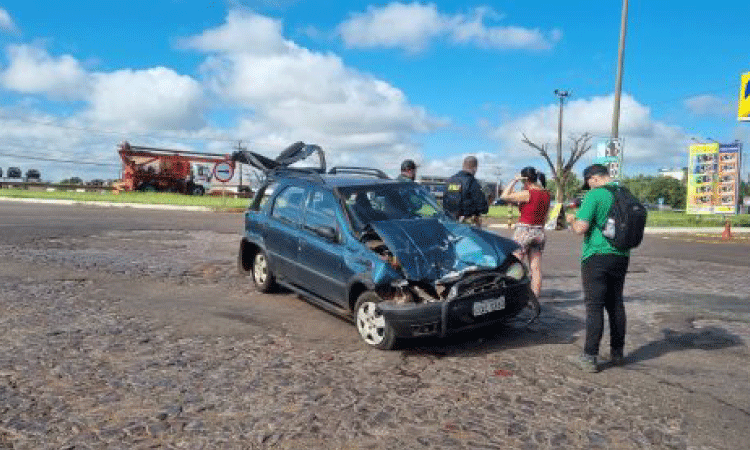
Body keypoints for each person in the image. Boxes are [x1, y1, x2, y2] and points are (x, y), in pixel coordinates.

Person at [565, 164, 630, 373]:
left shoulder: (595, 195)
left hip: (596, 255)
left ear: (593, 178)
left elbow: (581, 228)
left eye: (588, 182)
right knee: (616, 304)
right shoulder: (624, 193)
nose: (589, 186)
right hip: (622, 255)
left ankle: (589, 357)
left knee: (594, 306)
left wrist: (572, 219)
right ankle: (617, 352)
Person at [499, 167, 551, 302]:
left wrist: (514, 180)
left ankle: (510, 295)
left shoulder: (527, 193)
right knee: (536, 268)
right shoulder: (546, 194)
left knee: (515, 264)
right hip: (539, 231)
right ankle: (535, 297)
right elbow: (545, 216)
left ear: (526, 179)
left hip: (524, 231)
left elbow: (504, 196)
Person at [442, 156, 489, 226]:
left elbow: (445, 200)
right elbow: (482, 207)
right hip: (466, 223)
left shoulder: (450, 180)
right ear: (475, 168)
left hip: (449, 221)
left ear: (463, 165)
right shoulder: (472, 182)